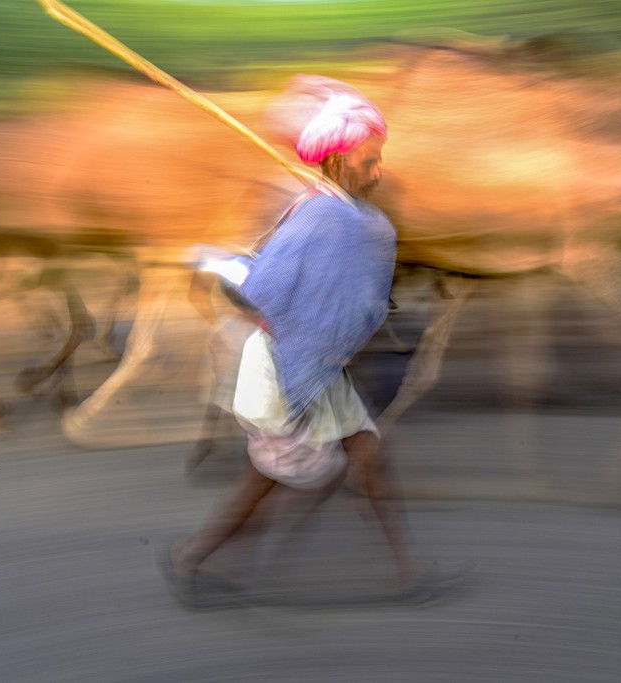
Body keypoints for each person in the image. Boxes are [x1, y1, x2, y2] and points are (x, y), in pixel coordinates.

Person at [164, 76, 415, 603]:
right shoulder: (322, 215)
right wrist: (230, 266)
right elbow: (261, 293)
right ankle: (199, 558)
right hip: (288, 367)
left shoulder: (342, 216)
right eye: (369, 159)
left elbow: (332, 291)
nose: (378, 169)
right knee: (283, 479)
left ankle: (407, 575)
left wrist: (239, 268)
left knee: (366, 454)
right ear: (336, 161)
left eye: (379, 157)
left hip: (318, 361)